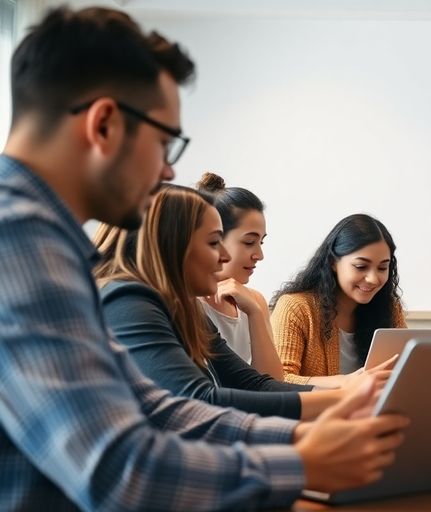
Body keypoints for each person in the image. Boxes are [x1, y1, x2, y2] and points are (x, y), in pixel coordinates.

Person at [0, 7, 405, 509]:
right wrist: (300, 461)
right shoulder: (19, 241)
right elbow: (118, 471)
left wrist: (305, 436)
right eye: (165, 141)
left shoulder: (49, 244)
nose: (169, 167)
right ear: (104, 124)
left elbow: (161, 410)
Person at [96, 185, 380, 420]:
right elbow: (200, 399)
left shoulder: (179, 308)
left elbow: (252, 383)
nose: (223, 255)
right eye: (212, 243)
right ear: (174, 246)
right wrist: (341, 400)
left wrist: (344, 397)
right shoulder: (127, 301)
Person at [272, 213, 406, 385]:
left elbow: (405, 371)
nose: (373, 278)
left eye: (382, 267)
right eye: (361, 266)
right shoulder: (296, 308)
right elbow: (280, 379)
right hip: (317, 411)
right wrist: (347, 382)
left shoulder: (390, 309)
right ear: (332, 262)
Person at [195, 171, 283, 377]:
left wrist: (254, 312)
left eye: (261, 242)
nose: (259, 255)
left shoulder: (255, 301)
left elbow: (275, 384)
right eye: (249, 242)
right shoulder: (190, 304)